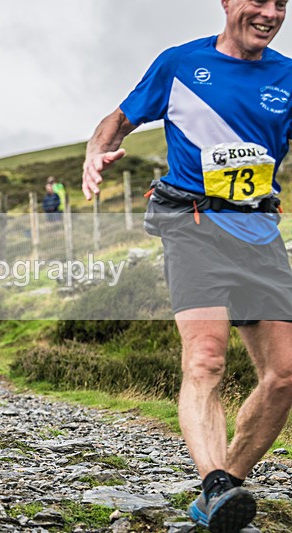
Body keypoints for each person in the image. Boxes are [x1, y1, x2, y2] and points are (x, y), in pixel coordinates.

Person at [83, 1, 292, 531]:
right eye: (259, 0)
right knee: (206, 358)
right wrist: (96, 152)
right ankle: (214, 479)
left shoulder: (288, 77)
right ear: (227, 2)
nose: (270, 13)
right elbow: (117, 120)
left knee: (285, 375)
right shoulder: (179, 64)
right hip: (193, 225)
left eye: (282, 4)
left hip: (260, 234)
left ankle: (222, 491)